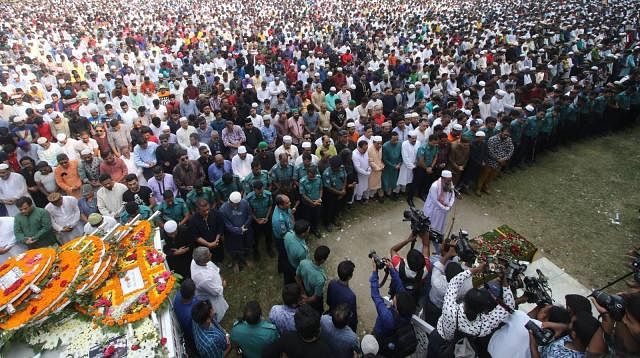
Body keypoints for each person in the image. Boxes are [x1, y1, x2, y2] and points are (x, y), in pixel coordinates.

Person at [426, 264, 515, 357]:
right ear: (484, 310)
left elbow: (454, 282)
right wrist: (504, 280)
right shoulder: (483, 326)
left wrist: (475, 269)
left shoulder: (450, 310)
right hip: (459, 350)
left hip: (439, 340)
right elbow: (509, 306)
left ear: (464, 300)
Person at [369, 257, 417, 357]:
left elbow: (376, 296)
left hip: (381, 336)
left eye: (395, 298)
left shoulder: (387, 316)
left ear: (396, 307)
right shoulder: (407, 307)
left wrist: (374, 272)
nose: (394, 296)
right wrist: (391, 269)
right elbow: (400, 286)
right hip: (397, 337)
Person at [264, 304, 332, 357]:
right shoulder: (324, 350)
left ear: (296, 326)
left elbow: (267, 353)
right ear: (319, 328)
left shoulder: (287, 337)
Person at [190, 246, 229, 323]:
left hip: (216, 284)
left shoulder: (197, 260)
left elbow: (214, 268)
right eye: (209, 254)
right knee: (217, 311)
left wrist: (220, 277)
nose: (211, 254)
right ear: (204, 260)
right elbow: (215, 292)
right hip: (211, 298)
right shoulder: (203, 279)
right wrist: (223, 284)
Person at [219, 191, 253, 272]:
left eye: (238, 204)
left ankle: (244, 259)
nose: (237, 206)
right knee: (233, 248)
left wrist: (245, 226)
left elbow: (249, 215)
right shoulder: (223, 209)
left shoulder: (244, 203)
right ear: (230, 201)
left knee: (246, 245)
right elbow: (226, 224)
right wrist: (238, 230)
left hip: (245, 230)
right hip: (232, 234)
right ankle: (235, 262)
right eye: (235, 204)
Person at [475, 126, 514, 196]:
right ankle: (478, 188)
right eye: (505, 134)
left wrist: (504, 159)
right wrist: (498, 159)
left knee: (492, 176)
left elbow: (511, 151)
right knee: (484, 175)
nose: (506, 136)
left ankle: (486, 187)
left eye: (507, 135)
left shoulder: (509, 140)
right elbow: (489, 151)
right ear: (501, 132)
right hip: (490, 161)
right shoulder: (492, 139)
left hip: (501, 162)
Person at [296, 245, 330, 312]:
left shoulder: (303, 262)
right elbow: (315, 297)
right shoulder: (320, 279)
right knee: (318, 310)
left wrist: (303, 292)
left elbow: (297, 277)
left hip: (304, 289)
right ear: (323, 260)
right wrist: (306, 300)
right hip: (312, 297)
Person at [245, 180, 274, 259]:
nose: (260, 191)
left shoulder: (268, 195)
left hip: (266, 219)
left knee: (268, 235)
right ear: (254, 189)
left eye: (261, 189)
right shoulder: (249, 198)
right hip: (255, 220)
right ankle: (256, 251)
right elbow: (249, 211)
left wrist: (267, 217)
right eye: (258, 189)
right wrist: (256, 220)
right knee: (256, 237)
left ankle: (269, 248)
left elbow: (270, 206)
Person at [423, 170, 455, 240]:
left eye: (450, 180)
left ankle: (436, 235)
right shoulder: (435, 186)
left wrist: (450, 205)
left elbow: (453, 195)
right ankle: (427, 235)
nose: (450, 182)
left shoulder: (450, 184)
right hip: (433, 209)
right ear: (443, 178)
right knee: (430, 223)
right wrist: (445, 208)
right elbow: (435, 201)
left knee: (439, 223)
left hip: (444, 209)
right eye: (448, 180)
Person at [327, 260, 358, 332]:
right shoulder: (351, 296)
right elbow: (353, 317)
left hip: (332, 315)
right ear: (350, 276)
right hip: (343, 323)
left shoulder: (332, 283)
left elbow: (328, 301)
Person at [189, 199, 224, 263]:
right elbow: (195, 236)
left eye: (208, 209)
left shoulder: (216, 213)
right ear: (198, 210)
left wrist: (216, 240)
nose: (207, 212)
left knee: (219, 258)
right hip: (203, 246)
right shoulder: (193, 220)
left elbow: (220, 227)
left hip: (217, 242)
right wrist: (208, 244)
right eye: (204, 211)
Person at [173, 279, 200, 356]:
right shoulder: (193, 311)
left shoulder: (178, 296)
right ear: (192, 294)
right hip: (194, 336)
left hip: (187, 335)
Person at [298, 167, 322, 237]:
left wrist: (319, 198)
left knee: (316, 217)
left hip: (317, 202)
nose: (312, 178)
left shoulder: (318, 178)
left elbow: (321, 189)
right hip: (307, 204)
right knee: (307, 218)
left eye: (313, 177)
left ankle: (315, 229)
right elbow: (303, 195)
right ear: (307, 174)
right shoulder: (302, 181)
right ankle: (307, 232)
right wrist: (312, 203)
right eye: (310, 177)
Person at [381, 132, 402, 199]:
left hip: (396, 166)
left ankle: (390, 193)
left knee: (393, 180)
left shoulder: (400, 144)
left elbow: (401, 155)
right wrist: (393, 166)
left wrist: (399, 163)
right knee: (386, 180)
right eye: (394, 140)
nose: (396, 141)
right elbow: (384, 159)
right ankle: (384, 193)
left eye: (397, 139)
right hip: (388, 167)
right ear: (390, 139)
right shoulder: (385, 146)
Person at [367, 135, 385, 202]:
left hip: (379, 169)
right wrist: (378, 168)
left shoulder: (380, 148)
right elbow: (370, 161)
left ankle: (372, 196)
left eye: (381, 143)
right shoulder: (369, 149)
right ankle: (367, 197)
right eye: (378, 143)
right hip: (372, 170)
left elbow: (380, 159)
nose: (380, 145)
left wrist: (382, 165)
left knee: (377, 184)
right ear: (374, 142)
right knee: (370, 185)